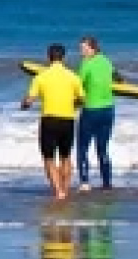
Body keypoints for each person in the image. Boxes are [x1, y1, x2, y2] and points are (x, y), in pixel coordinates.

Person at [21, 42, 86, 200]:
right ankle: (65, 189)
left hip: (49, 121)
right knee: (66, 157)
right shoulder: (73, 77)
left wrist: (24, 104)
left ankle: (58, 192)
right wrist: (72, 106)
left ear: (49, 57)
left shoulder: (41, 77)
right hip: (67, 120)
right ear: (63, 58)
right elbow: (83, 99)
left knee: (49, 158)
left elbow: (29, 100)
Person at [75, 35, 119, 191]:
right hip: (108, 110)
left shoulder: (86, 64)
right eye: (81, 49)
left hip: (91, 110)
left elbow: (77, 86)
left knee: (82, 148)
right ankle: (107, 183)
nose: (81, 52)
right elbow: (118, 78)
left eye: (84, 48)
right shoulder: (106, 61)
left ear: (93, 48)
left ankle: (85, 183)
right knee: (102, 148)